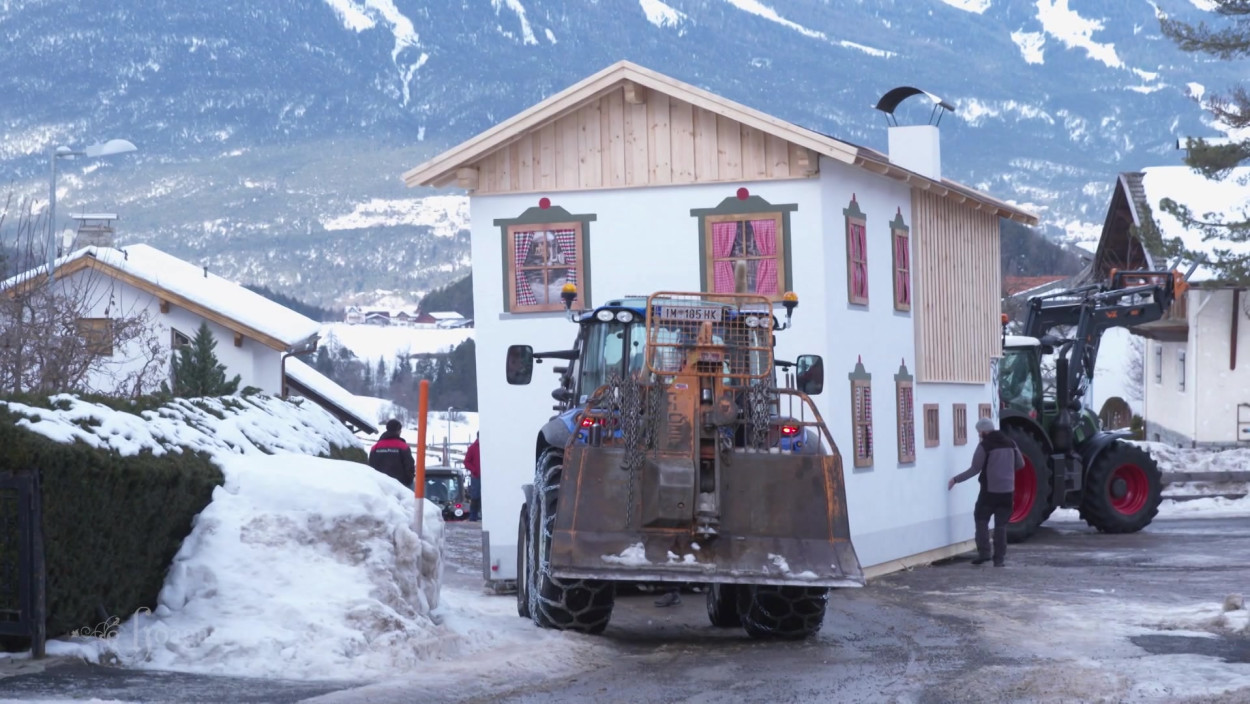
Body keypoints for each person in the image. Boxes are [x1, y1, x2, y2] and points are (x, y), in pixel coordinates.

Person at [947, 417, 1025, 567]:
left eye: (979, 432)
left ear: (983, 432)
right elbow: (1020, 464)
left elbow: (975, 469)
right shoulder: (1011, 443)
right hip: (1007, 491)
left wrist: (956, 479)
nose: (978, 435)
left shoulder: (985, 446)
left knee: (981, 519)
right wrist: (1006, 471)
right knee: (1001, 525)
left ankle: (984, 553)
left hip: (989, 491)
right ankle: (999, 559)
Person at [369, 419, 415, 490]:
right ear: (398, 430)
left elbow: (371, 467)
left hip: (380, 487)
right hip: (400, 487)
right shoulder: (403, 446)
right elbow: (410, 467)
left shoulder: (375, 447)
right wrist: (408, 482)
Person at [464, 433, 481, 521]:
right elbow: (466, 462)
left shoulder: (489, 447)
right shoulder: (473, 448)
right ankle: (473, 515)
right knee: (475, 496)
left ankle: (480, 514)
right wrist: (474, 470)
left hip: (487, 477)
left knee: (484, 496)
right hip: (476, 476)